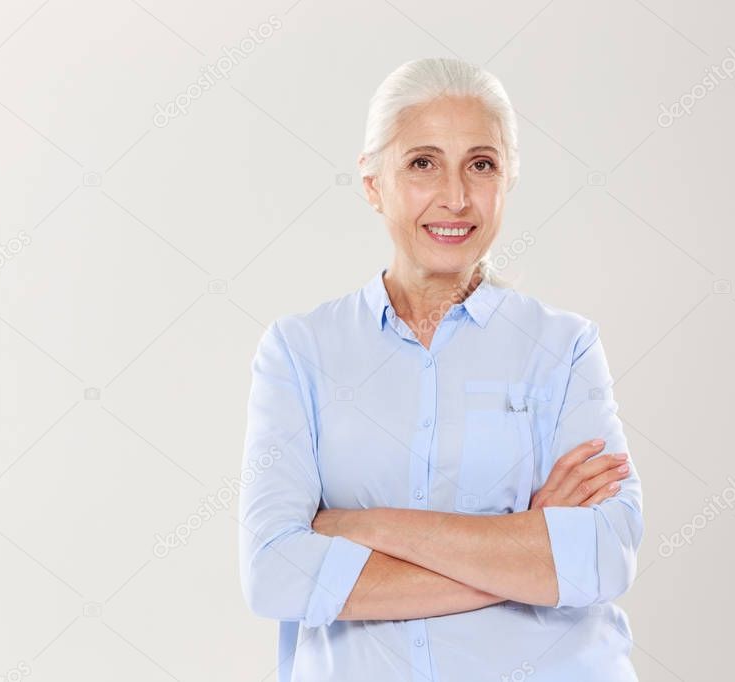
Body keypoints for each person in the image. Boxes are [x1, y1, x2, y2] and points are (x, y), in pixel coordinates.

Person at [239, 56, 644, 681]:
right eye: (422, 163)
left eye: (480, 165)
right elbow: (275, 573)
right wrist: (521, 552)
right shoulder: (301, 352)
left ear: (506, 180)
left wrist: (356, 526)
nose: (455, 197)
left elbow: (601, 559)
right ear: (373, 183)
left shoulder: (564, 348)